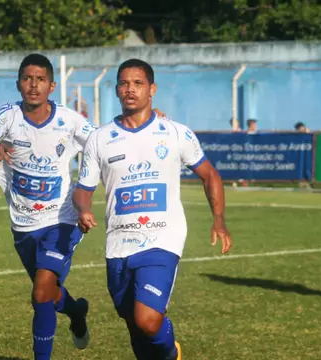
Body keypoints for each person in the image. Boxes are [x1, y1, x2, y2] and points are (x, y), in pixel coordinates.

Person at [72, 59, 233, 360]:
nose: (130, 89)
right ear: (117, 89)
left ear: (152, 89)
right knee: (134, 326)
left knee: (148, 320)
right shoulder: (100, 138)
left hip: (162, 239)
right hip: (118, 243)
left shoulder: (175, 133)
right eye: (123, 83)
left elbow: (209, 174)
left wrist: (219, 220)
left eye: (138, 83)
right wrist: (83, 209)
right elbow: (83, 189)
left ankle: (172, 353)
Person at [0, 54, 93, 360]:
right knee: (48, 295)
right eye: (27, 78)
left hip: (62, 218)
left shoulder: (70, 120)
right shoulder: (7, 116)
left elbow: (101, 143)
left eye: (40, 79)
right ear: (18, 84)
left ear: (51, 85)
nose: (33, 85)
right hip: (23, 223)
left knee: (40, 292)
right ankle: (76, 311)